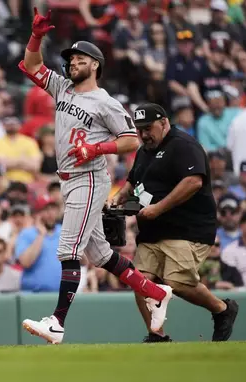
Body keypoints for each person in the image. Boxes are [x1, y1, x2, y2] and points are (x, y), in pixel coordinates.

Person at [18, 10, 172, 345]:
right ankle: (156, 291)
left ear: (95, 64)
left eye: (79, 58)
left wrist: (96, 149)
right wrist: (36, 37)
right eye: (70, 58)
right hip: (68, 178)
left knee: (68, 248)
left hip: (88, 177)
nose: (72, 62)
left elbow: (130, 138)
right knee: (101, 255)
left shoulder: (106, 102)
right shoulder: (63, 89)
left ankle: (57, 322)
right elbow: (31, 66)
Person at [111, 102, 239, 343]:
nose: (144, 134)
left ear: (164, 122)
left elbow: (193, 182)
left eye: (148, 128)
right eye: (140, 130)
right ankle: (157, 335)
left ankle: (222, 309)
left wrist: (158, 208)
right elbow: (132, 182)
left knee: (177, 282)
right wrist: (120, 195)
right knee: (140, 281)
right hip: (152, 231)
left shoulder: (183, 145)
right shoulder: (143, 151)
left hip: (187, 229)